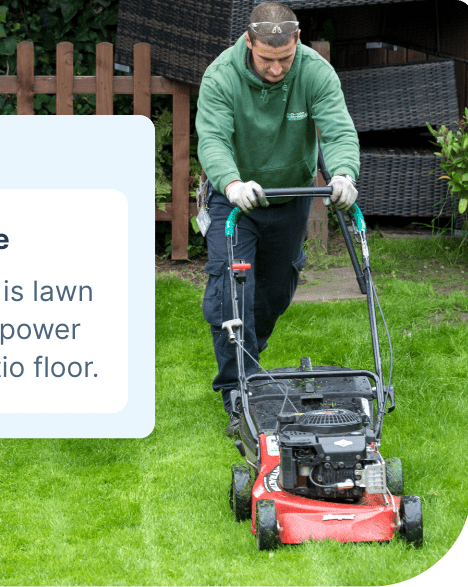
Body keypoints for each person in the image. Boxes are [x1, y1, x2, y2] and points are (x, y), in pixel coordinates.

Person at [195, 2, 360, 435]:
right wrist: (231, 183)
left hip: (290, 197)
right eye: (267, 60)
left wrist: (343, 172)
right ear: (249, 42)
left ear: (297, 41)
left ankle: (250, 355)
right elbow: (212, 139)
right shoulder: (221, 77)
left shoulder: (314, 72)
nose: (275, 70)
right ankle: (238, 392)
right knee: (232, 290)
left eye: (284, 59)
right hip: (236, 200)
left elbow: (338, 129)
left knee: (276, 290)